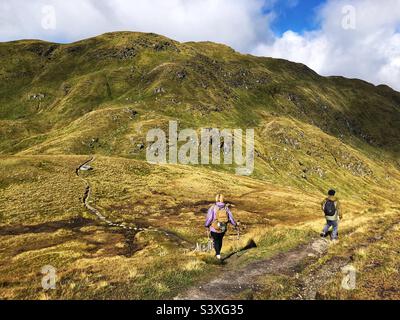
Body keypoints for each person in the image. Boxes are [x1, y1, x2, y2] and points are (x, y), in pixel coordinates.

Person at [205, 194, 237, 259]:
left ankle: (218, 255)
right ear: (223, 199)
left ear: (216, 199)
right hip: (223, 227)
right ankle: (218, 254)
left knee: (216, 240)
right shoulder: (226, 208)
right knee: (220, 240)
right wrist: (235, 224)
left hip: (214, 228)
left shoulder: (213, 207)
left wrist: (206, 225)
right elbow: (231, 218)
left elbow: (209, 218)